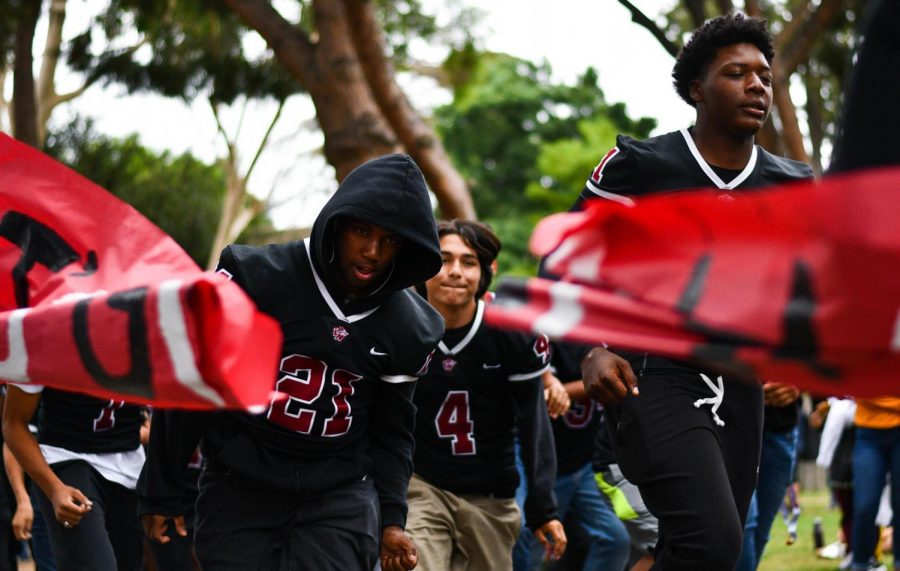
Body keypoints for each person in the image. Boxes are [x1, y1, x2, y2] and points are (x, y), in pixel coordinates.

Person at [575, 12, 813, 570]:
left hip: (740, 384)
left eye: (764, 75)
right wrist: (592, 346)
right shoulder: (638, 164)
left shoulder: (793, 184)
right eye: (737, 73)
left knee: (697, 550)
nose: (757, 85)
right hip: (652, 374)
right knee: (712, 540)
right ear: (697, 90)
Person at [138, 153, 445, 571]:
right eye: (361, 230)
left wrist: (393, 517)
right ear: (337, 223)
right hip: (241, 481)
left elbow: (392, 431)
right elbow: (195, 383)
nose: (372, 251)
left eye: (390, 241)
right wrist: (163, 487)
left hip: (338, 493)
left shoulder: (411, 325)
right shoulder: (253, 276)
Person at [406, 219, 565, 570]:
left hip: (490, 492)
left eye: (469, 262)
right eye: (443, 260)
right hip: (422, 483)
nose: (455, 272)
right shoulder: (403, 327)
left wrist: (543, 508)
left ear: (483, 273)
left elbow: (534, 425)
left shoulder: (512, 332)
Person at [514, 341, 631, 571]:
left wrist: (602, 377)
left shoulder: (604, 337)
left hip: (584, 462)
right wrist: (601, 378)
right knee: (532, 547)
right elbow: (538, 392)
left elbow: (621, 377)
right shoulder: (543, 337)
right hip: (545, 463)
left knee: (615, 539)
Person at [2, 386, 145, 571]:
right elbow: (13, 424)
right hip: (66, 460)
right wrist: (50, 489)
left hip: (130, 465)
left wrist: (164, 489)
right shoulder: (44, 357)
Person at [737, 384, 802, 570]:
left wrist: (798, 383)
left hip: (781, 428)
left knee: (761, 531)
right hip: (734, 425)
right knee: (744, 526)